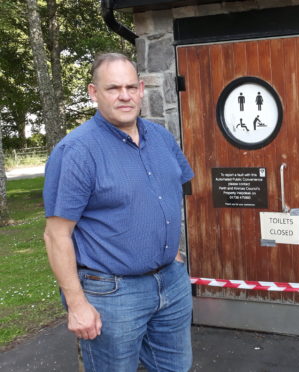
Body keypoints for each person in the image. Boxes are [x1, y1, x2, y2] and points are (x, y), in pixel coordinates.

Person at [43, 53, 194, 372]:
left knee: (175, 368)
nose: (124, 95)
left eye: (130, 87)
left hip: (170, 282)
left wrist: (174, 253)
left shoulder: (162, 138)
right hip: (112, 293)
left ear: (141, 89)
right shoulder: (77, 152)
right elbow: (57, 235)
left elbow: (172, 192)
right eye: (113, 88)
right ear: (93, 93)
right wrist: (77, 303)